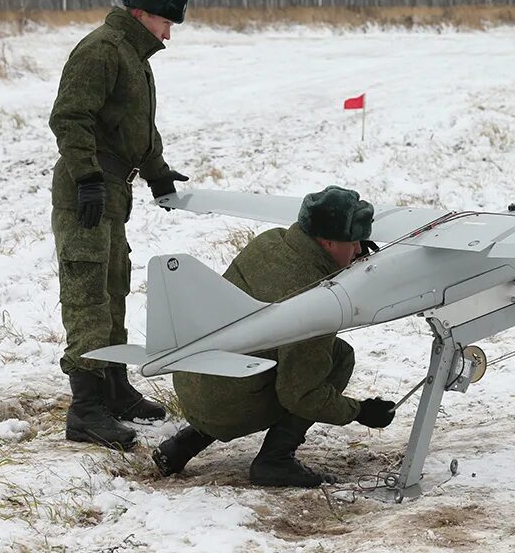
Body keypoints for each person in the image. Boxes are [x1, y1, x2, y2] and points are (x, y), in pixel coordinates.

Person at [152, 186, 397, 487]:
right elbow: (301, 395)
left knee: (254, 354)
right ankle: (275, 461)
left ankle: (184, 444)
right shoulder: (315, 296)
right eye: (353, 242)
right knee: (339, 357)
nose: (359, 250)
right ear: (328, 242)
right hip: (227, 403)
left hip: (193, 381)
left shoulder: (269, 243)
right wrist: (358, 412)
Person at [49, 0, 190, 450]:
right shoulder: (103, 50)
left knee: (112, 288)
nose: (169, 33)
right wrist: (87, 178)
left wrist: (157, 172)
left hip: (113, 189)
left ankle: (114, 389)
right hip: (87, 189)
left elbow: (133, 130)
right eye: (165, 21)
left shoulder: (132, 55)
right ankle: (86, 410)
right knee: (87, 293)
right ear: (140, 14)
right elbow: (70, 117)